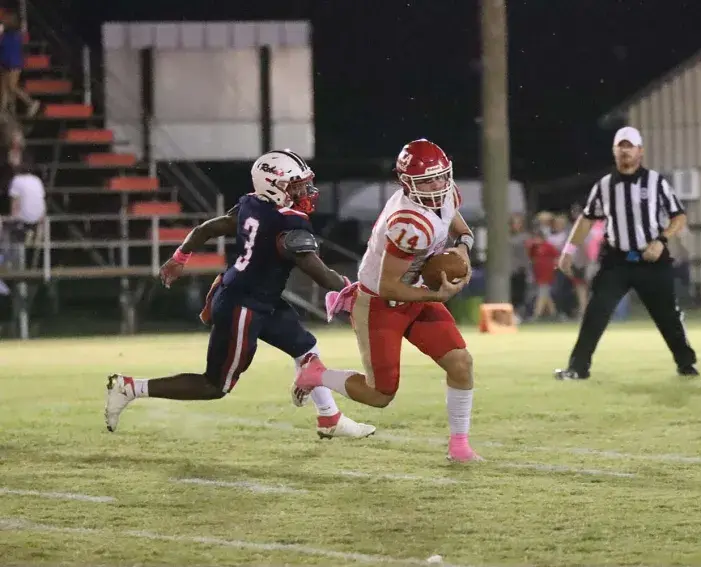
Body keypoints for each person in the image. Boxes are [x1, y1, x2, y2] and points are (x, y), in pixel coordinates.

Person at [104, 150, 376, 439]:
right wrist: (355, 289)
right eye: (296, 186)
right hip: (243, 306)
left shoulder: (252, 204)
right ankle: (130, 388)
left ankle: (329, 418)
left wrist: (179, 257)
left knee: (306, 349)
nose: (305, 192)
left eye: (304, 184)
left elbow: (208, 228)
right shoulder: (287, 223)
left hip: (255, 297)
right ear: (273, 186)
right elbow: (318, 272)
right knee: (214, 385)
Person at [291, 139, 482, 463]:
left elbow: (461, 229)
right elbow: (388, 286)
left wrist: (462, 249)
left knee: (460, 363)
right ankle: (316, 373)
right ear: (406, 182)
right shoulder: (409, 222)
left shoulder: (446, 193)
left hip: (415, 293)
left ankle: (459, 446)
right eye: (427, 181)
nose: (437, 186)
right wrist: (437, 295)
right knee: (380, 395)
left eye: (440, 177)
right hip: (379, 304)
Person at [554, 126, 698, 380]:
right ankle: (577, 368)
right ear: (614, 151)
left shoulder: (656, 182)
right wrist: (568, 250)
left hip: (650, 259)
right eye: (620, 146)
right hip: (617, 260)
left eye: (630, 146)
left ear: (640, 151)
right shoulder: (605, 185)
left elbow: (679, 216)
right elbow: (587, 219)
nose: (625, 151)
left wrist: (662, 240)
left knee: (667, 316)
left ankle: (686, 364)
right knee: (595, 312)